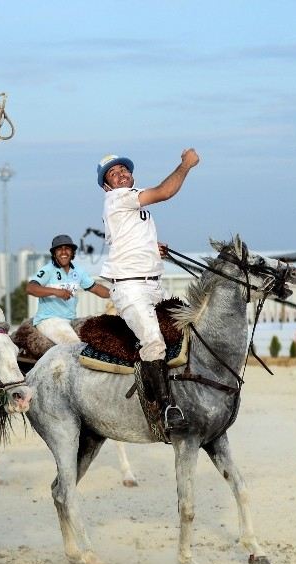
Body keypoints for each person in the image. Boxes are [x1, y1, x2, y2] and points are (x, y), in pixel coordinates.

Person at [96, 149, 199, 435]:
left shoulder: (134, 205)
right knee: (154, 344)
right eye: (113, 174)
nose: (120, 175)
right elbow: (165, 192)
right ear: (107, 186)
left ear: (132, 174)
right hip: (131, 288)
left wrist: (154, 250)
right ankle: (164, 411)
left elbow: (129, 239)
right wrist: (185, 164)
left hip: (153, 284)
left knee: (188, 329)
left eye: (123, 170)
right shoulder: (118, 197)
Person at [26, 234, 111, 343]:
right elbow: (30, 288)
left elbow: (95, 288)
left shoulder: (79, 272)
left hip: (69, 321)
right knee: (74, 346)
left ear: (72, 252)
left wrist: (116, 293)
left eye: (67, 248)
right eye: (59, 249)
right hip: (49, 320)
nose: (64, 252)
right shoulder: (48, 270)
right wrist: (56, 292)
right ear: (54, 254)